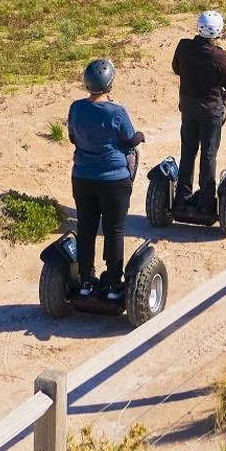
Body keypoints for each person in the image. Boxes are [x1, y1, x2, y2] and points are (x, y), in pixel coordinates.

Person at [67, 58, 144, 301]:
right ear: (110, 84)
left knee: (86, 228)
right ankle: (112, 284)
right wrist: (140, 136)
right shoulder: (117, 112)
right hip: (113, 180)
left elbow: (72, 137)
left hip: (82, 177)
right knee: (114, 230)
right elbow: (129, 139)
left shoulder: (76, 108)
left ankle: (87, 280)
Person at [171, 11, 226, 212]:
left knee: (188, 152)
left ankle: (182, 197)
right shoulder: (219, 55)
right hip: (211, 111)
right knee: (208, 154)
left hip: (188, 108)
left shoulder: (183, 46)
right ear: (218, 31)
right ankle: (206, 201)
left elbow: (176, 68)